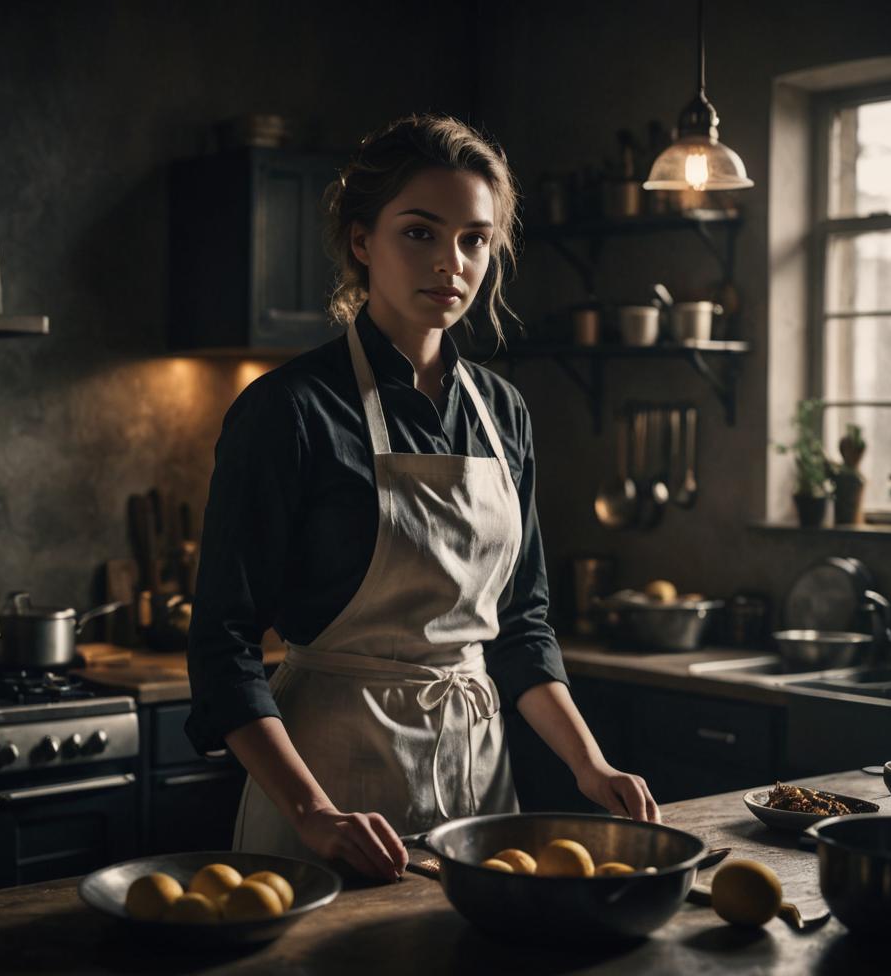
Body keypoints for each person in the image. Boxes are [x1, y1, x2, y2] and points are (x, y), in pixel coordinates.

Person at [185, 113, 660, 884]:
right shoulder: (289, 410)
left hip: (478, 787)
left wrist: (590, 766)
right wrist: (315, 813)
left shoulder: (503, 413)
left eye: (475, 239)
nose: (452, 263)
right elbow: (222, 645)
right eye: (420, 234)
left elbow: (521, 625)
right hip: (328, 782)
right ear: (361, 241)